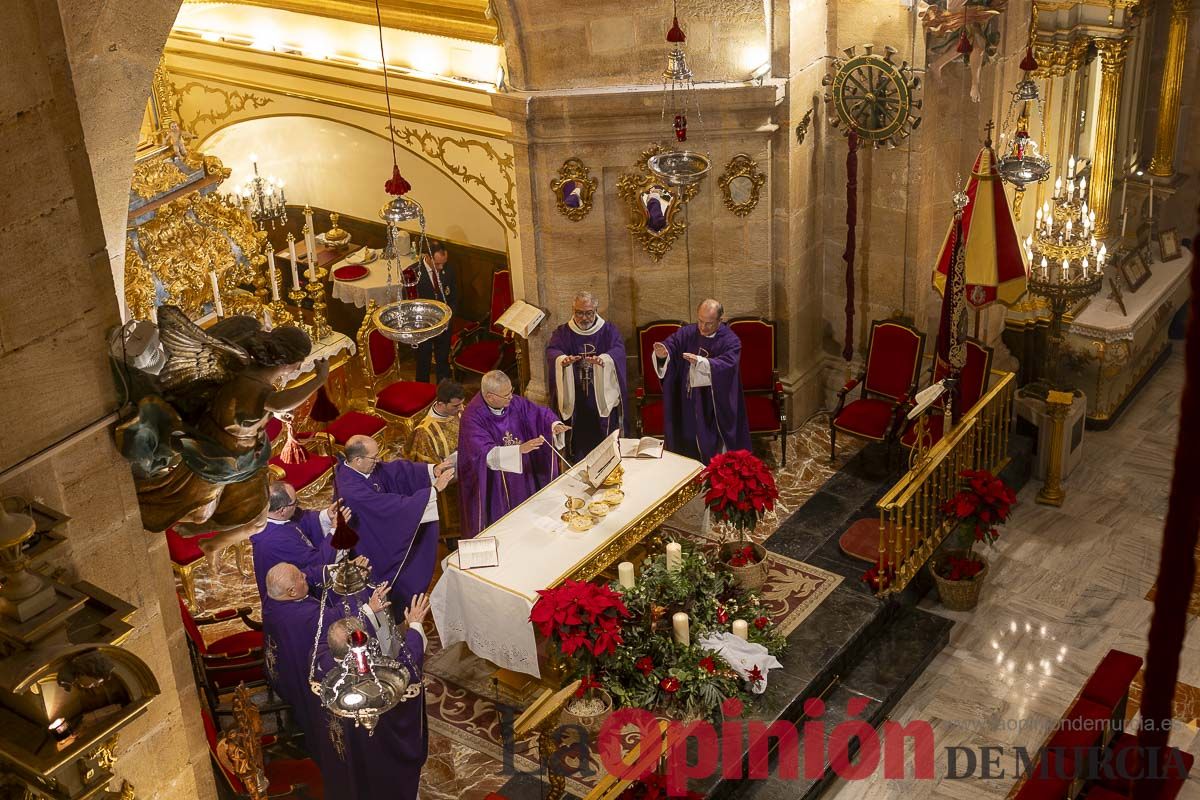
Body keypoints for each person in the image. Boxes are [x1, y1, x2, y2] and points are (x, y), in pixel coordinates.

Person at [318, 592, 430, 800]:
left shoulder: (320, 663)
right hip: (382, 753)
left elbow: (348, 641)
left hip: (348, 750)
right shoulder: (382, 682)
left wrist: (369, 612)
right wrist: (415, 625)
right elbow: (409, 666)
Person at [336, 435, 454, 608]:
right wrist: (433, 491)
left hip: (381, 530)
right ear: (357, 460)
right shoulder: (350, 490)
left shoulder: (364, 468)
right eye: (374, 457)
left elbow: (395, 471)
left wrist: (432, 470)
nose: (378, 460)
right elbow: (388, 507)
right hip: (373, 541)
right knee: (392, 589)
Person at [261, 563, 347, 786]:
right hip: (300, 680)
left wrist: (331, 569)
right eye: (300, 577)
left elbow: (308, 574)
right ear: (291, 592)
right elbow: (334, 620)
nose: (305, 576)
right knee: (318, 719)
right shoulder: (303, 616)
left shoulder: (272, 599)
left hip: (282, 669)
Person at [458, 370, 570, 538]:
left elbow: (538, 413)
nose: (511, 397)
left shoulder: (513, 403)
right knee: (507, 529)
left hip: (523, 474)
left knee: (530, 517)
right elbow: (483, 455)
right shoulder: (472, 417)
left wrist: (553, 425)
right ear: (490, 397)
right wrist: (518, 450)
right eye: (506, 395)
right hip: (495, 483)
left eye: (511, 391)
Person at [653, 299, 751, 463]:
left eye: (709, 323)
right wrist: (663, 353)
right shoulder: (689, 332)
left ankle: (712, 474)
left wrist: (701, 362)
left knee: (711, 445)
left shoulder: (731, 340)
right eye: (700, 321)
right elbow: (672, 343)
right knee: (687, 436)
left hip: (713, 404)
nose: (703, 327)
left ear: (720, 320)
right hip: (688, 399)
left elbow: (727, 364)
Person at [546, 292, 629, 463]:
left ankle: (608, 465)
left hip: (601, 396)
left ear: (596, 310)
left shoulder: (608, 330)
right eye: (579, 312)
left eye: (589, 312)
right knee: (578, 439)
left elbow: (619, 350)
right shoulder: (563, 332)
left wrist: (605, 359)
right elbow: (552, 350)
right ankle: (577, 465)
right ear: (573, 310)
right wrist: (563, 360)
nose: (584, 317)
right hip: (575, 397)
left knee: (603, 437)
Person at [249, 481, 344, 599]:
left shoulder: (273, 515)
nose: (297, 505)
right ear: (281, 510)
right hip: (291, 596)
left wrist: (326, 516)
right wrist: (335, 530)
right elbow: (316, 561)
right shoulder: (275, 541)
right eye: (295, 503)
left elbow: (301, 519)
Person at [407, 379, 466, 545]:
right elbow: (428, 471)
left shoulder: (459, 411)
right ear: (441, 404)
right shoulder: (425, 432)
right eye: (456, 406)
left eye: (462, 404)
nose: (461, 409)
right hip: (448, 492)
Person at [410, 241, 456, 384]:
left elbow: (454, 297)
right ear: (427, 257)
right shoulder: (413, 273)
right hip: (423, 328)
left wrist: (449, 319)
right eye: (437, 264)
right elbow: (410, 306)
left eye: (444, 263)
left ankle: (444, 393)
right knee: (423, 361)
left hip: (444, 324)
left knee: (442, 361)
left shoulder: (449, 269)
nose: (441, 267)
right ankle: (422, 392)